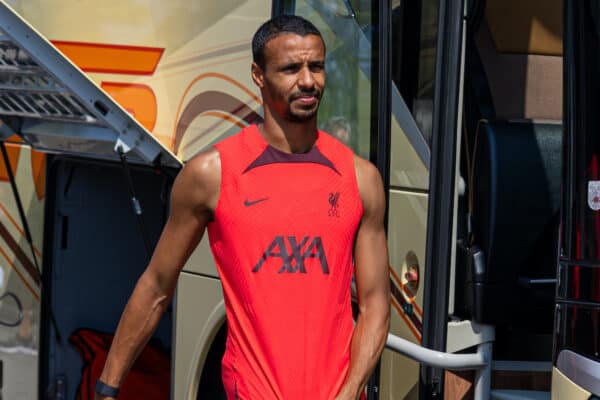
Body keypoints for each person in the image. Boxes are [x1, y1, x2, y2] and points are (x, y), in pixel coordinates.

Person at [94, 15, 390, 400]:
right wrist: (106, 388)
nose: (307, 81)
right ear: (258, 75)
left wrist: (350, 392)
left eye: (315, 66)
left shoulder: (360, 180)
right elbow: (156, 286)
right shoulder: (211, 175)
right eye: (290, 68)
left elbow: (375, 305)